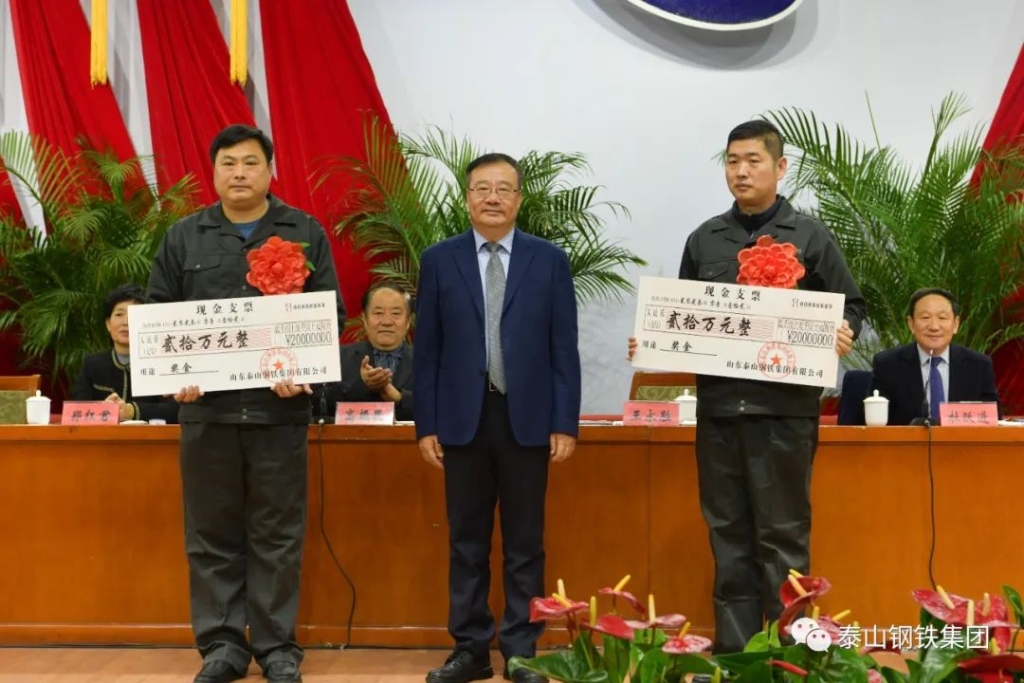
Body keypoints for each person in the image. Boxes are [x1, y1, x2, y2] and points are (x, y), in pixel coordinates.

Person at [628, 120, 866, 655]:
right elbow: (683, 316)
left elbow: (851, 304)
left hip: (784, 413)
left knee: (783, 538)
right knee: (728, 536)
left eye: (753, 160)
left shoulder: (810, 236)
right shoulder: (705, 238)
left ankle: (791, 657)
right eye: (732, 161)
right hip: (719, 411)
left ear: (780, 168)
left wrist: (842, 328)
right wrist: (652, 342)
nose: (741, 170)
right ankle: (736, 658)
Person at [147, 124, 344, 683]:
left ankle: (277, 647)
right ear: (213, 172)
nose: (239, 173)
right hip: (206, 413)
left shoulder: (304, 231)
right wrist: (176, 376)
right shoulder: (184, 237)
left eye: (250, 163)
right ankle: (223, 647)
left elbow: (329, 316)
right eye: (228, 163)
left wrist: (303, 371)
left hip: (278, 413)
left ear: (270, 170)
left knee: (277, 535)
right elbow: (159, 315)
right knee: (210, 534)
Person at [415, 153, 581, 683]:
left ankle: (520, 651)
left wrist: (565, 421)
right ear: (467, 198)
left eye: (503, 188)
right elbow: (428, 350)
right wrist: (426, 424)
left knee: (524, 542)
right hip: (461, 418)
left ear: (519, 199)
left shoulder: (548, 260)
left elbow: (563, 348)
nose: (492, 197)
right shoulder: (439, 260)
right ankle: (470, 648)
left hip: (526, 417)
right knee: (466, 541)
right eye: (482, 188)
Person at [870, 287, 999, 425]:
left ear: (955, 324)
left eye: (942, 318)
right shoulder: (888, 365)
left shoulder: (978, 365)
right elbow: (874, 422)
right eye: (925, 317)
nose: (934, 326)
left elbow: (993, 419)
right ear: (911, 324)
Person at [70, 284, 179, 424]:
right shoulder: (92, 364)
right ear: (108, 324)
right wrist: (103, 409)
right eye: (119, 314)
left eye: (133, 315)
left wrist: (132, 411)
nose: (126, 322)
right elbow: (75, 411)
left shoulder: (161, 364)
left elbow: (175, 410)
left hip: (149, 437)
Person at [321, 281, 414, 421]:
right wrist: (361, 383)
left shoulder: (428, 361)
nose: (387, 322)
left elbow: (441, 407)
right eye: (378, 313)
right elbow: (320, 405)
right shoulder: (337, 358)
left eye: (396, 313)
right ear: (364, 318)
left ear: (408, 321)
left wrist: (399, 398)